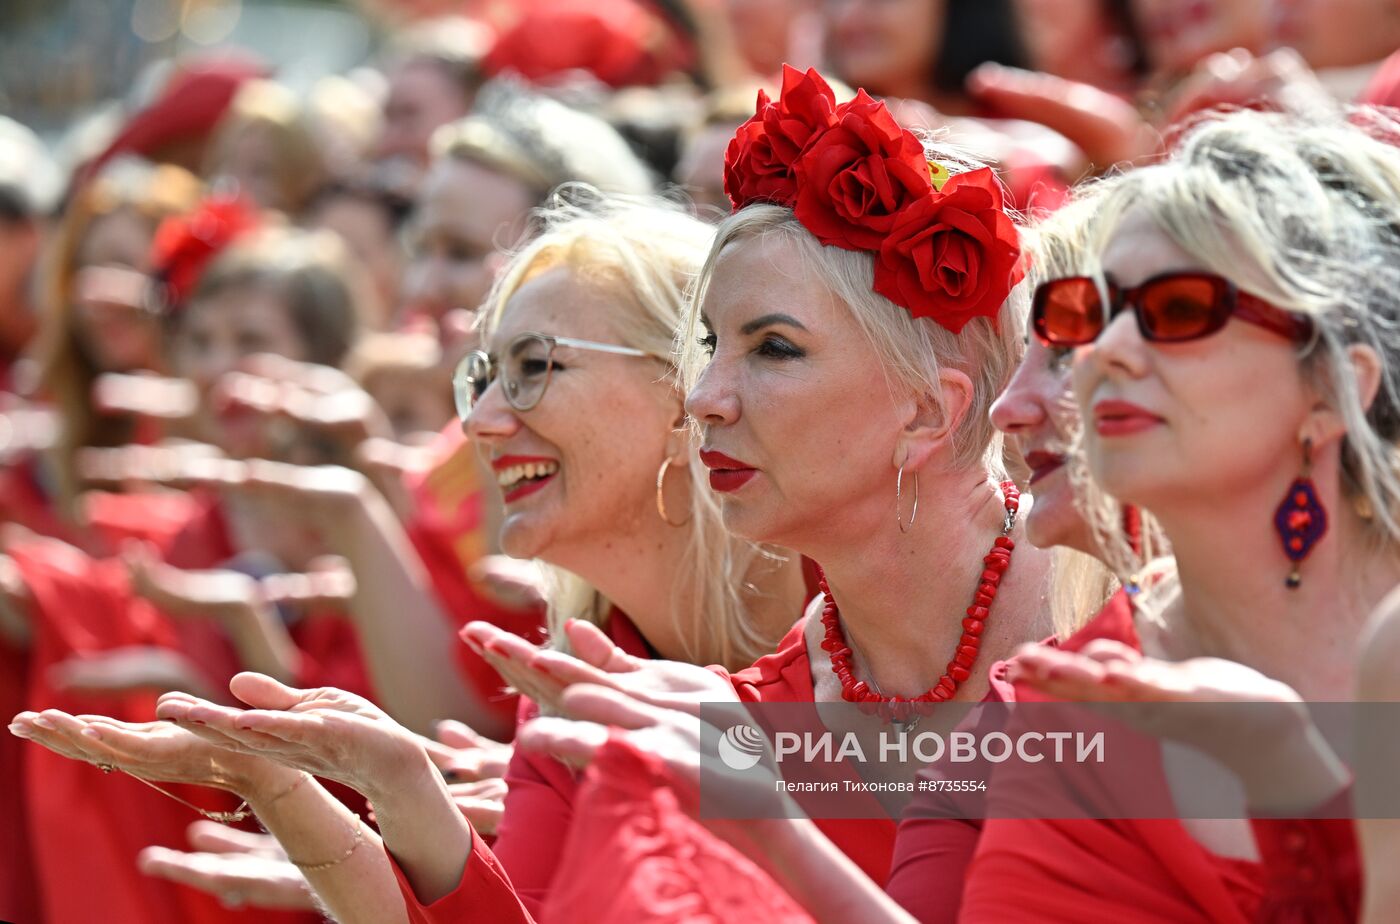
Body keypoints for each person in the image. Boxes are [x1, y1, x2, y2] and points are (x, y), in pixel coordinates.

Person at [954, 106, 1400, 921]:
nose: (1108, 350)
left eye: (1182, 309)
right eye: (1094, 312)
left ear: (1339, 389)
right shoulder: (1066, 718)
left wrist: (1295, 792)